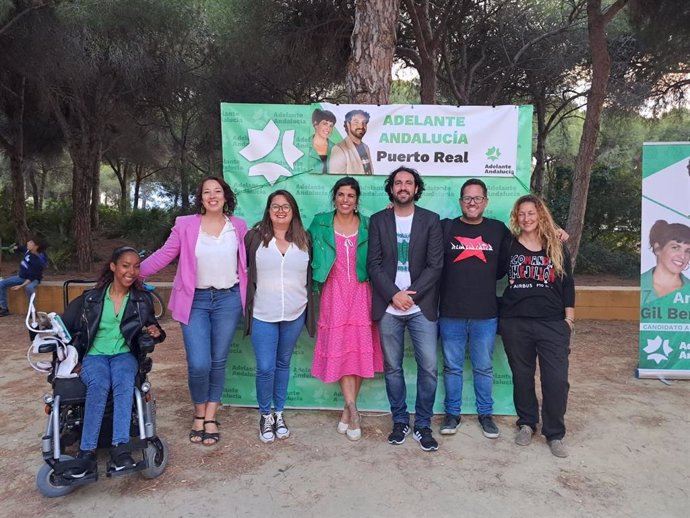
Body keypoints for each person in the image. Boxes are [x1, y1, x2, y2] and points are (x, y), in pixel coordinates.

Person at [141, 176, 248, 446]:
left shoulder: (239, 227)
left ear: (226, 196)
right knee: (199, 363)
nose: (213, 196)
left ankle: (210, 415)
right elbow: (165, 254)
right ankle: (198, 411)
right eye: (206, 192)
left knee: (219, 361)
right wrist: (131, 273)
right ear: (200, 198)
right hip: (195, 301)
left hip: (228, 300)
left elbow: (252, 262)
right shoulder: (185, 225)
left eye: (218, 191)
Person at [62, 246, 165, 476]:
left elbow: (152, 327)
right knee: (98, 384)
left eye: (136, 266)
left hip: (124, 354)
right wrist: (71, 355)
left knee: (123, 381)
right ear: (113, 267)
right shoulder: (91, 299)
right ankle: (86, 452)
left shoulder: (141, 300)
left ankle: (120, 448)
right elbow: (66, 329)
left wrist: (153, 331)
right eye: (125, 266)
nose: (131, 271)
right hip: (94, 354)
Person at [367, 166, 443, 451]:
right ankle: (399, 421)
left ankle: (423, 424)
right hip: (389, 307)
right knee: (392, 368)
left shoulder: (430, 221)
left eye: (408, 183)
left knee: (429, 368)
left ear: (416, 188)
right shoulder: (378, 220)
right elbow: (372, 264)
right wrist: (393, 295)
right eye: (398, 182)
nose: (403, 187)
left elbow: (436, 265)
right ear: (391, 188)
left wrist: (409, 295)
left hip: (420, 306)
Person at [499, 194, 575, 458]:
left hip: (552, 323)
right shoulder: (508, 244)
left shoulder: (556, 244)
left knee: (556, 380)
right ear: (516, 217)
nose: (526, 218)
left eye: (531, 213)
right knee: (522, 376)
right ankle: (527, 422)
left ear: (541, 215)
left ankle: (554, 433)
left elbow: (568, 284)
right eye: (521, 214)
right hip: (515, 322)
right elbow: (487, 269)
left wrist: (569, 319)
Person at [309, 177, 384, 441]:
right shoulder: (320, 222)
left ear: (357, 199)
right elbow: (303, 249)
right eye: (341, 195)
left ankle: (347, 410)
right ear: (334, 197)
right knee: (341, 348)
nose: (345, 200)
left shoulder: (369, 224)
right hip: (333, 291)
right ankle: (353, 407)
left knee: (359, 349)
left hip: (362, 291)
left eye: (350, 196)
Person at [438, 179, 510, 439]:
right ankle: (452, 414)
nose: (472, 202)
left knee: (483, 368)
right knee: (452, 368)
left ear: (486, 202)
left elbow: (507, 264)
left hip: (486, 314)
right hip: (450, 313)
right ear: (460, 202)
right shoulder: (445, 228)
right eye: (467, 198)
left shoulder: (499, 230)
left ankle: (485, 415)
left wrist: (556, 231)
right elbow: (415, 230)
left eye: (477, 198)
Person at [244, 190, 315, 444]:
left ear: (293, 210)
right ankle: (265, 414)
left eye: (286, 206)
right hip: (263, 312)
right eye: (275, 206)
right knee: (265, 367)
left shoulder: (305, 240)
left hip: (295, 313)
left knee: (283, 363)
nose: (281, 211)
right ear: (268, 210)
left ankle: (279, 412)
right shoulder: (254, 238)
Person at [640, 220, 690, 303]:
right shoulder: (638, 284)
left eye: (688, 251)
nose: (682, 256)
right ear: (658, 248)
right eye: (675, 247)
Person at [0, 237, 49, 317]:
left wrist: (20, 286)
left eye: (31, 242)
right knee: (1, 284)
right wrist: (14, 248)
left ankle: (32, 311)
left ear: (36, 246)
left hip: (34, 279)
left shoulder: (38, 261)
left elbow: (32, 277)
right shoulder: (28, 250)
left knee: (29, 287)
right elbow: (20, 248)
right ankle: (4, 308)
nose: (28, 242)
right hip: (21, 277)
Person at [328, 109, 374, 176]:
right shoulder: (339, 149)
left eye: (364, 122)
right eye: (356, 122)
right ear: (348, 124)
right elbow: (336, 180)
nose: (361, 126)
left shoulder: (366, 147)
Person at [310, 109, 337, 174]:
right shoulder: (304, 145)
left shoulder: (336, 148)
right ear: (315, 124)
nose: (328, 128)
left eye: (331, 126)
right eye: (325, 124)